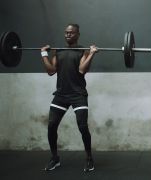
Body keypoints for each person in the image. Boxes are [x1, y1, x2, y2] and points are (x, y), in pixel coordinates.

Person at [41, 23, 98, 172]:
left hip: (78, 94)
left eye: (71, 33)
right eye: (66, 33)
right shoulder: (58, 51)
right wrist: (44, 54)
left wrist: (91, 53)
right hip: (61, 94)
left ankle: (89, 158)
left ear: (78, 34)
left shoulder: (82, 51)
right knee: (52, 126)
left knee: (82, 126)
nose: (68, 35)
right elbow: (51, 71)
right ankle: (55, 158)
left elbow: (81, 70)